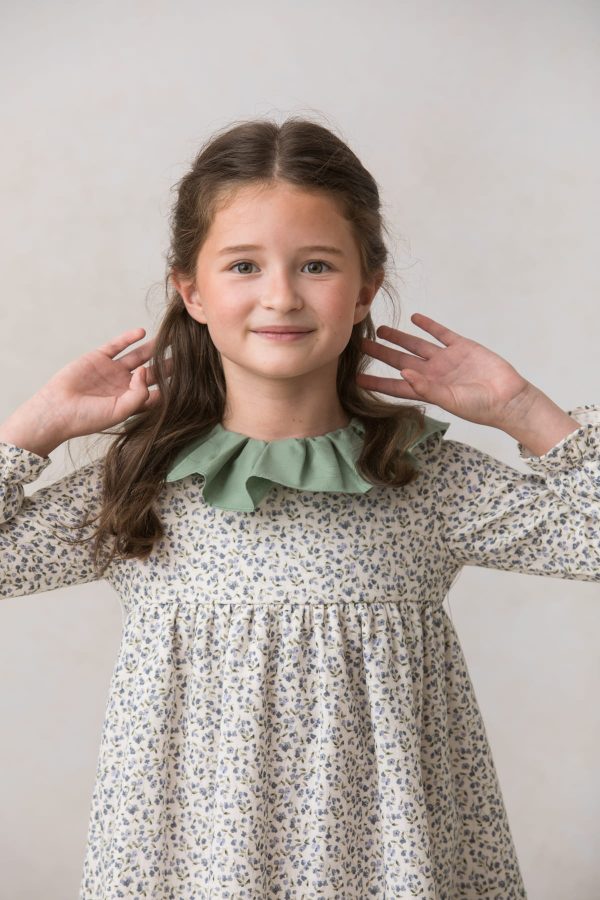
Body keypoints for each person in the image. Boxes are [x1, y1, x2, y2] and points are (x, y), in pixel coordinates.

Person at [0, 116, 597, 900]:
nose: (280, 295)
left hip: (396, 871)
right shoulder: (143, 480)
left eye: (316, 264)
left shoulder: (420, 479)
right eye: (243, 265)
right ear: (193, 291)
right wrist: (30, 432)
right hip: (193, 872)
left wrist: (523, 409)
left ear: (364, 291)